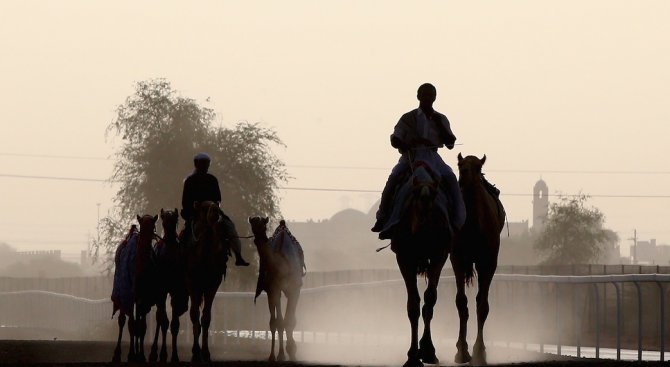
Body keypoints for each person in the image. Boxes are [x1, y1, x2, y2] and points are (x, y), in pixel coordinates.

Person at [371, 83, 466, 238]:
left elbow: (450, 144)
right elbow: (395, 139)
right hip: (410, 157)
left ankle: (457, 221)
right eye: (425, 95)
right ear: (418, 96)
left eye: (431, 95)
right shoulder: (408, 118)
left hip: (433, 157)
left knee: (451, 179)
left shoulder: (441, 118)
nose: (428, 98)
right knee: (394, 179)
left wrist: (440, 125)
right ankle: (384, 219)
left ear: (435, 98)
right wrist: (410, 143)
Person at [181, 152, 249, 266]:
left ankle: (238, 256)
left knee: (229, 226)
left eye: (207, 164)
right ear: (196, 164)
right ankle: (181, 259)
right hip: (196, 214)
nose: (205, 166)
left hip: (213, 212)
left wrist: (215, 205)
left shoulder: (212, 180)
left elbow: (218, 198)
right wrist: (194, 207)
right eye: (203, 163)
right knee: (185, 234)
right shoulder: (189, 181)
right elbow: (185, 202)